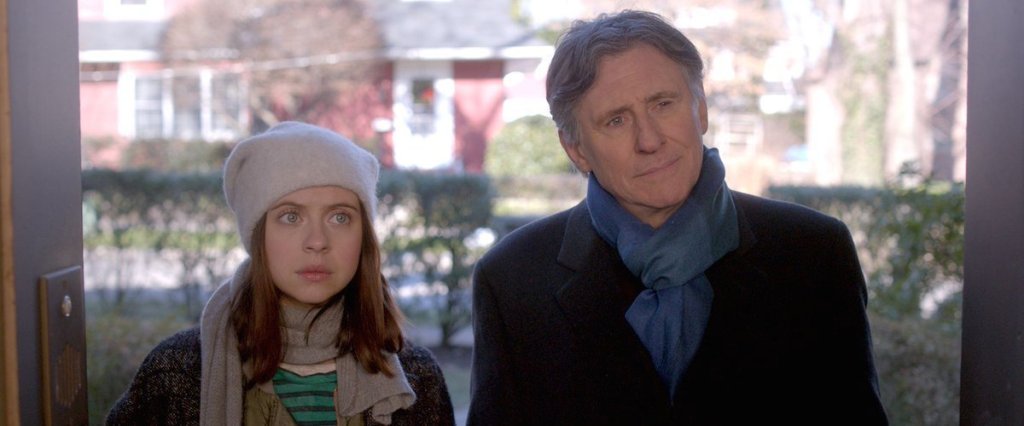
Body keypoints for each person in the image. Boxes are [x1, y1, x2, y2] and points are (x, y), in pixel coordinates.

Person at [468, 10, 888, 425]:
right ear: (575, 149)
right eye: (616, 120)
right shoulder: (511, 280)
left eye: (663, 104)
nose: (649, 140)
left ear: (700, 109)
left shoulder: (813, 253)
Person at [107, 122, 456, 425]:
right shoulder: (178, 372)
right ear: (257, 235)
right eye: (291, 216)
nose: (317, 241)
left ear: (363, 234)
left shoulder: (415, 378)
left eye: (340, 217)